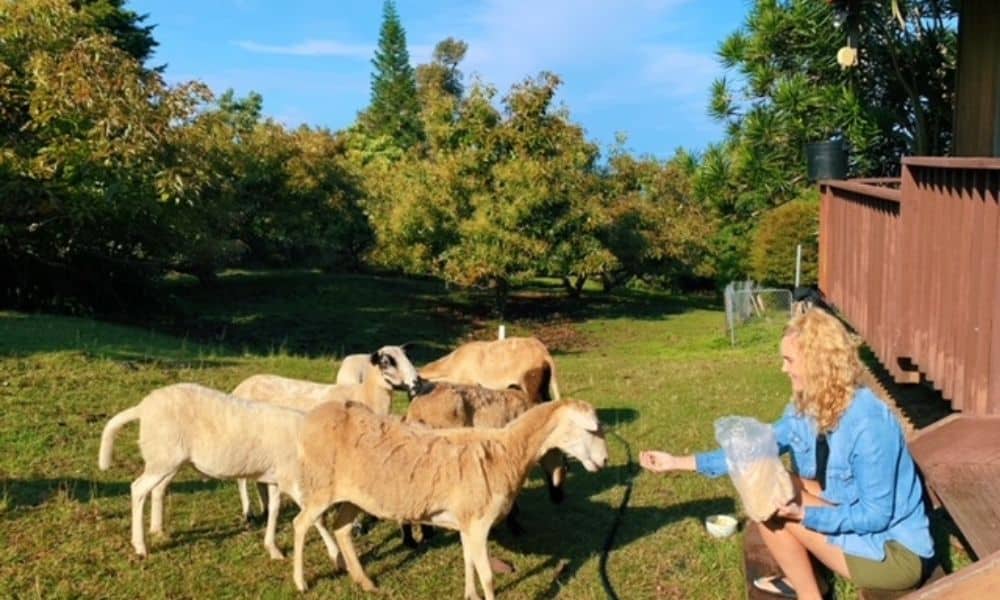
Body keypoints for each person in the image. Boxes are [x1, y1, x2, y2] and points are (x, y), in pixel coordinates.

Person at [640, 308, 935, 599]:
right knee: (767, 482)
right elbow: (754, 451)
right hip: (858, 523)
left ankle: (808, 593)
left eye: (789, 360)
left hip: (894, 552)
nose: (783, 369)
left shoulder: (868, 423)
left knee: (772, 503)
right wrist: (676, 462)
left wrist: (805, 514)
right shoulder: (807, 407)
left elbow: (875, 517)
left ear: (817, 363)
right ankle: (808, 589)